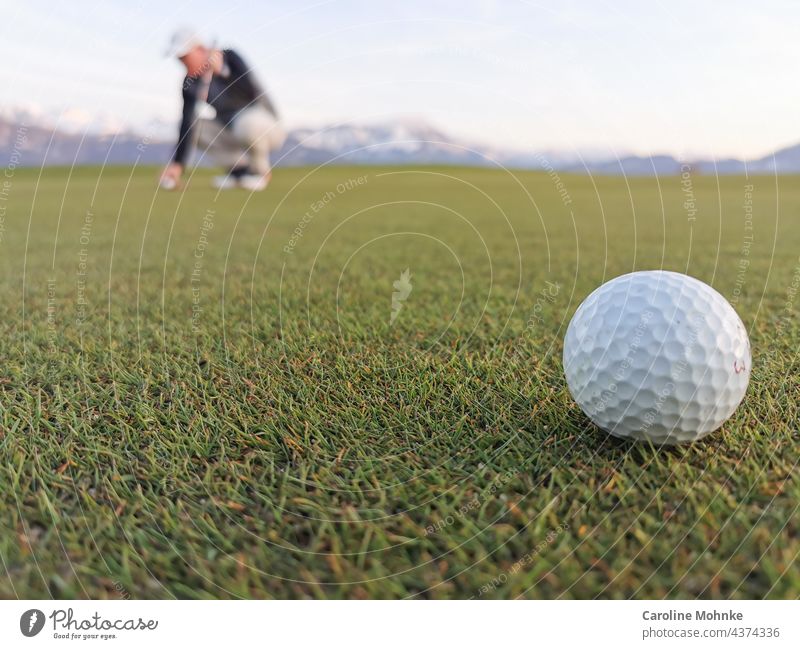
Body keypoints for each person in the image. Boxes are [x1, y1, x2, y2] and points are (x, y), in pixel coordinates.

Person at [160, 28, 285, 191]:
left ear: (200, 49)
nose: (183, 63)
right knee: (196, 128)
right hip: (232, 131)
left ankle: (259, 172)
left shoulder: (230, 57)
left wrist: (223, 71)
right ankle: (240, 172)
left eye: (185, 58)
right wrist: (178, 164)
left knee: (247, 124)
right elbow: (187, 122)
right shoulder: (190, 84)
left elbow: (251, 92)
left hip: (267, 126)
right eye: (179, 59)